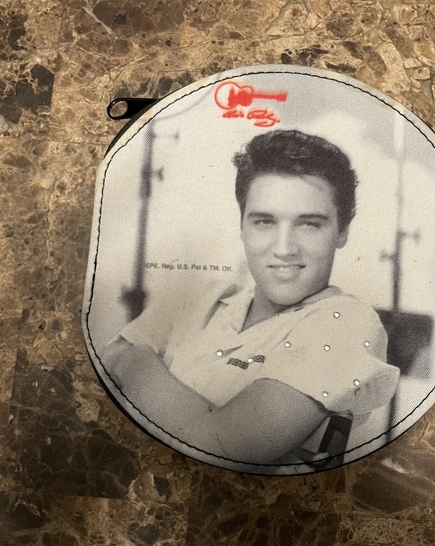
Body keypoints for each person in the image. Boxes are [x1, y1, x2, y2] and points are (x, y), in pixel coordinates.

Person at [101, 129, 399, 472]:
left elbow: (223, 448)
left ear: (342, 232)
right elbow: (102, 365)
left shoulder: (346, 323)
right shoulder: (203, 297)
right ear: (242, 226)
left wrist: (135, 360)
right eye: (264, 222)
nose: (284, 248)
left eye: (309, 224)